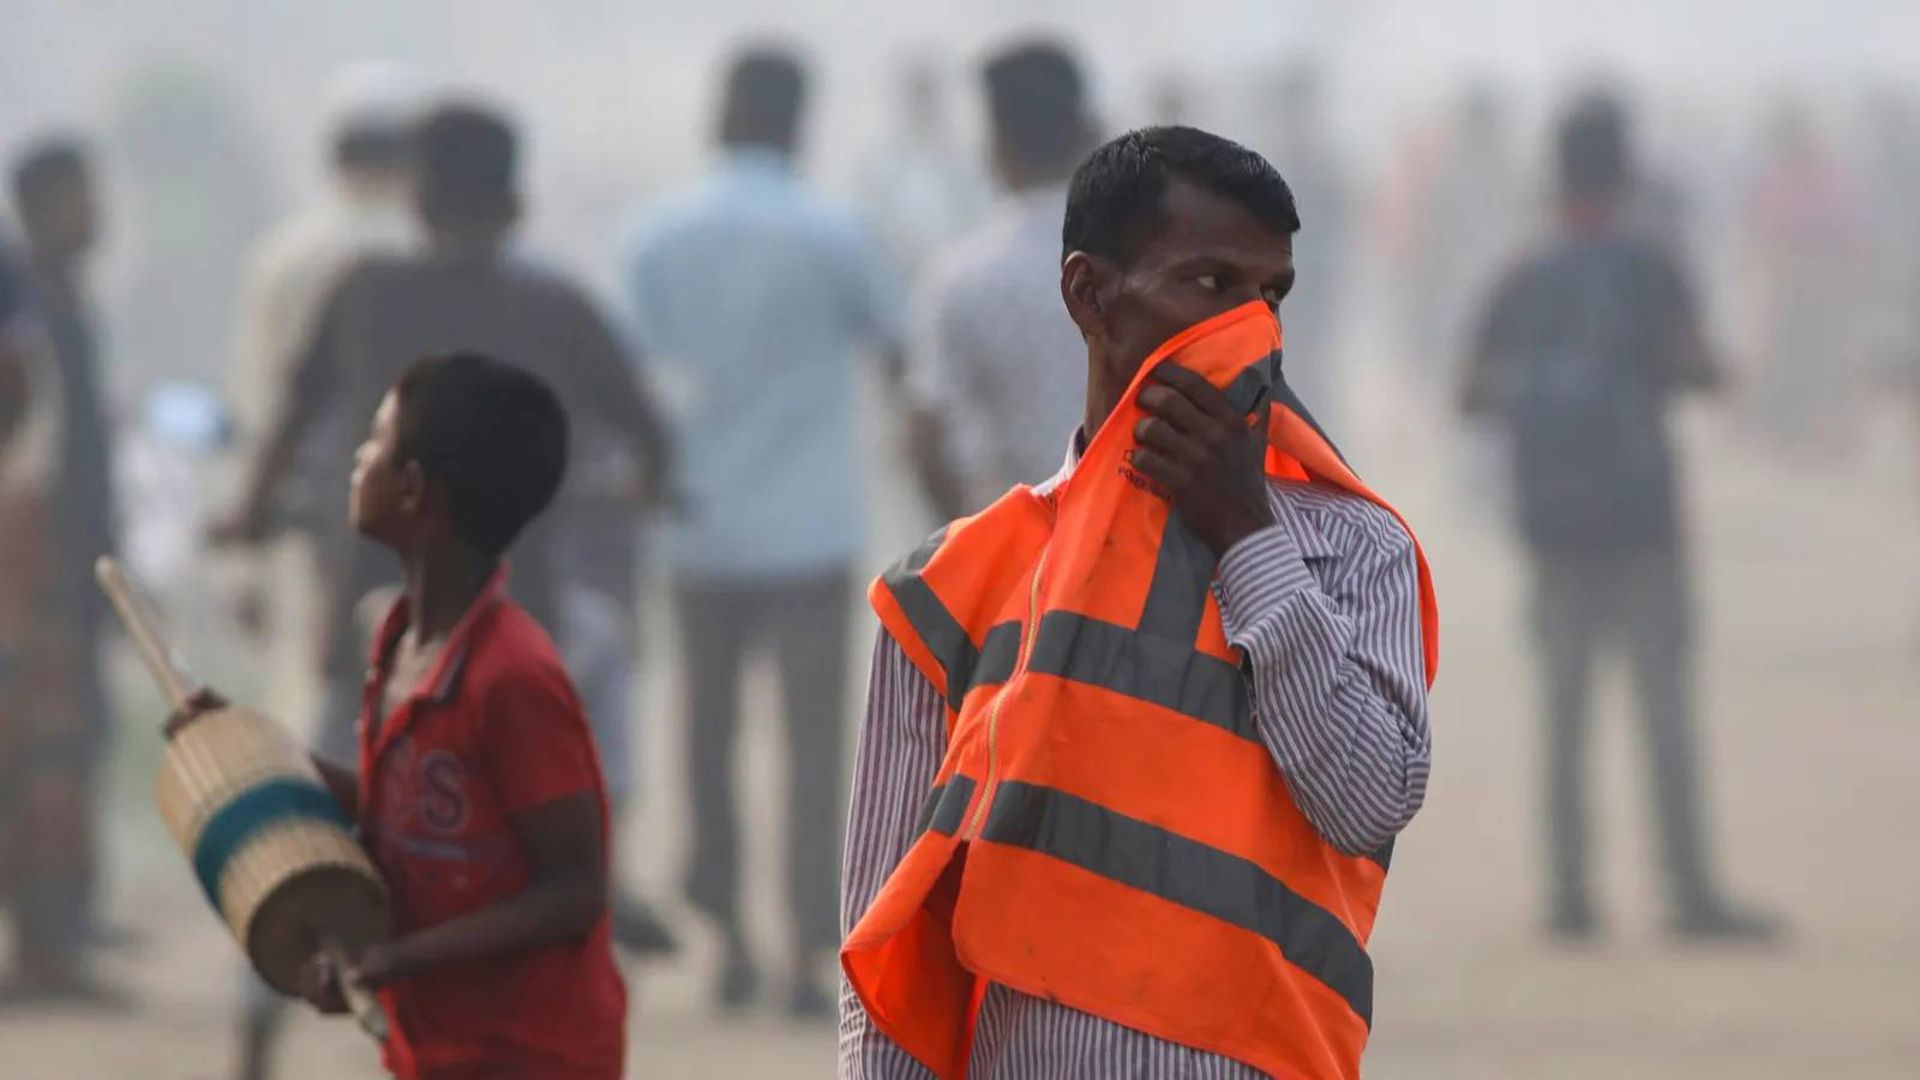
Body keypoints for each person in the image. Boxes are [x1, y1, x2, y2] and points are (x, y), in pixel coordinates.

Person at [840, 126, 1440, 1078]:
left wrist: (1247, 535)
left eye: (1270, 296)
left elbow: (1367, 802)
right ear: (1089, 296)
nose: (1252, 332)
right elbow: (893, 935)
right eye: (1208, 286)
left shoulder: (1355, 552)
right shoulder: (959, 583)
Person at [217, 102, 673, 1076]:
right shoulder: (555, 306)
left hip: (368, 613)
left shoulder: (364, 290)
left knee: (321, 825)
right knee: (513, 818)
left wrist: (251, 518)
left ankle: (258, 1027)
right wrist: (654, 487)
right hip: (517, 605)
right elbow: (648, 430)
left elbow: (290, 420)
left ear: (417, 197)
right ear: (513, 201)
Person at [175, 353, 626, 1077]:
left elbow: (575, 890)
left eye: (375, 442)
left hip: (530, 1053)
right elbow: (400, 820)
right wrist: (244, 743)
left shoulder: (512, 674)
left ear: (414, 490)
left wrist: (396, 957)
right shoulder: (395, 639)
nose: (357, 458)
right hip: (436, 1045)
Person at [624, 45, 905, 1016]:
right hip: (811, 525)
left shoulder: (659, 235)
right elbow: (895, 350)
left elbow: (629, 382)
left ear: (719, 116)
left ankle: (726, 936)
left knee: (705, 737)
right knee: (812, 742)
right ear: (799, 121)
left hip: (697, 522)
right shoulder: (834, 233)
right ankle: (805, 947)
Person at [1460, 94, 1779, 943]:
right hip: (1644, 525)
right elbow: (1701, 372)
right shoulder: (1650, 267)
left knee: (1563, 717)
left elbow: (1469, 394)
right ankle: (1689, 890)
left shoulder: (1524, 272)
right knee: (1664, 714)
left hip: (1553, 531)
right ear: (1625, 173)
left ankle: (1569, 896)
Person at [7, 139, 123, 989]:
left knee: (62, 752)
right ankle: (50, 944)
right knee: (46, 756)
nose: (97, 211)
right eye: (82, 195)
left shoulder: (57, 304)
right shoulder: (34, 308)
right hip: (37, 569)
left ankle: (61, 932)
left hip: (59, 567)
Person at [906, 39, 1101, 520]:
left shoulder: (964, 277)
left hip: (1024, 554)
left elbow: (925, 437)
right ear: (1089, 134)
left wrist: (964, 543)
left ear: (995, 144)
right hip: (1143, 551)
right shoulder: (1152, 265)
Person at [855, 55, 988, 281]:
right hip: (895, 274)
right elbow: (868, 221)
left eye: (928, 95)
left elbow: (979, 217)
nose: (923, 104)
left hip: (957, 271)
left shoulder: (962, 160)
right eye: (918, 95)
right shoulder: (882, 163)